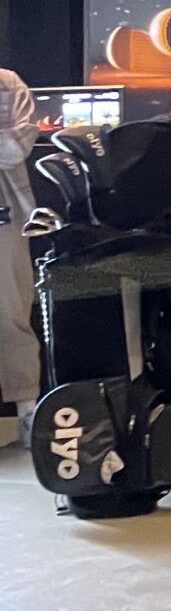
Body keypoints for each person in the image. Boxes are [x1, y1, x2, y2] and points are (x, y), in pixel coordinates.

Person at [0, 66, 39, 448]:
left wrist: (8, 139)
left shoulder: (9, 84)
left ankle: (28, 413)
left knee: (12, 316)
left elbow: (18, 146)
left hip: (6, 219)